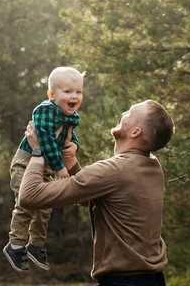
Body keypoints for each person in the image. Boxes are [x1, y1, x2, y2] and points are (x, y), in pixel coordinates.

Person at [19, 100, 175, 286]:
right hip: (153, 280)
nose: (124, 112)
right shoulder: (151, 165)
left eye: (130, 113)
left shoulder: (113, 171)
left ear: (135, 132)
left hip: (123, 282)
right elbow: (94, 196)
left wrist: (38, 151)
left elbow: (29, 196)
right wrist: (71, 162)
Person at [3, 67, 84, 272]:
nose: (74, 96)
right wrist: (60, 168)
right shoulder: (45, 111)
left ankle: (35, 245)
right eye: (68, 92)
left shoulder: (69, 116)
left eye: (78, 92)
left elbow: (67, 136)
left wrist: (75, 146)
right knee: (26, 203)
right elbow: (46, 140)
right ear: (52, 95)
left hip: (45, 168)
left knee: (45, 207)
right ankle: (15, 245)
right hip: (26, 162)